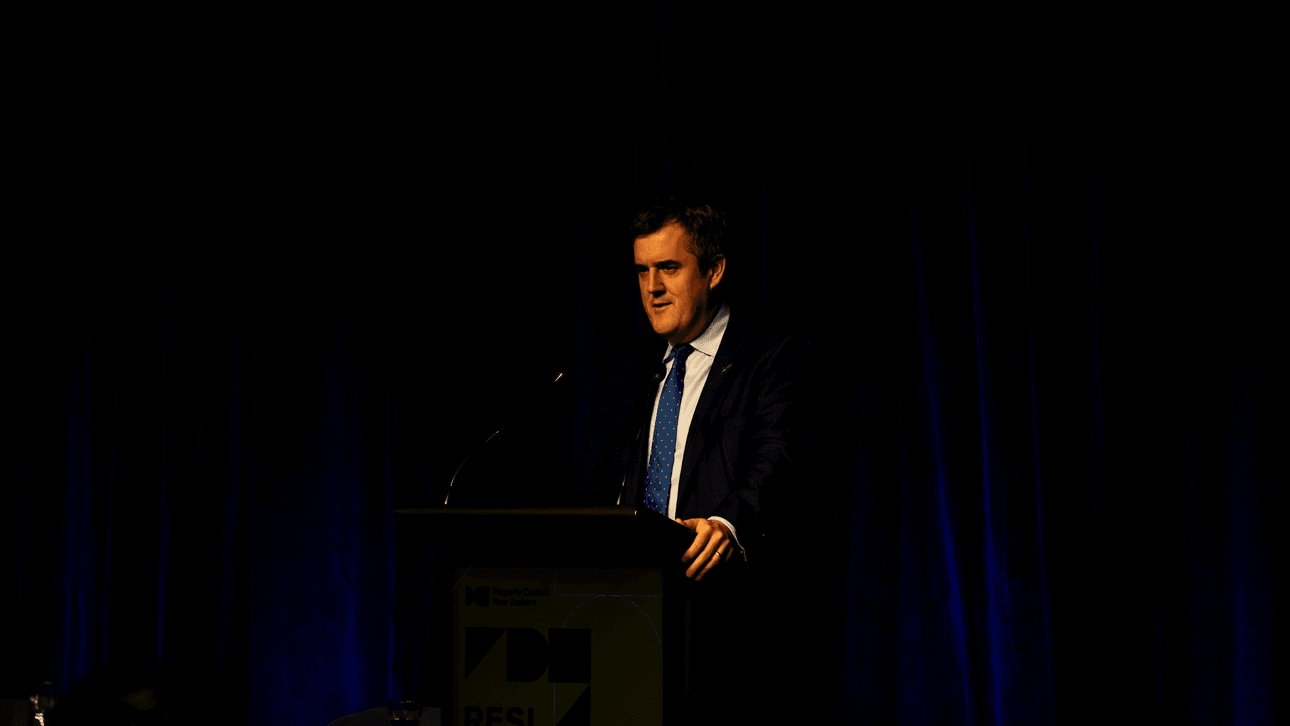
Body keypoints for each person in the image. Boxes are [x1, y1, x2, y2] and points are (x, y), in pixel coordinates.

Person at [570, 196, 822, 719]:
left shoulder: (771, 355)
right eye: (642, 272)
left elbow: (779, 458)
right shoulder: (630, 368)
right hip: (623, 617)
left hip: (724, 628)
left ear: (714, 269)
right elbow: (597, 483)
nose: (652, 288)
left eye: (669, 268)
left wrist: (729, 523)